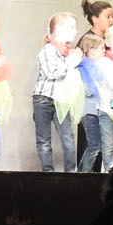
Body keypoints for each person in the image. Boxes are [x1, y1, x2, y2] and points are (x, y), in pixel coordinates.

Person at [33, 12, 80, 172]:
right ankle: (48, 172)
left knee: (68, 138)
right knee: (44, 139)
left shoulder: (68, 52)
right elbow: (51, 72)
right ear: (59, 29)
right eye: (71, 27)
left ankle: (71, 172)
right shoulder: (48, 50)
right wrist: (70, 64)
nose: (75, 31)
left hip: (61, 100)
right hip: (44, 99)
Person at [75, 31, 113, 173]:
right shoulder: (84, 68)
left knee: (99, 145)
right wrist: (99, 85)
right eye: (101, 49)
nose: (103, 51)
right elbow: (86, 91)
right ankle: (82, 173)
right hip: (89, 112)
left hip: (96, 111)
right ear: (92, 51)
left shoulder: (98, 66)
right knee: (94, 145)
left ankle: (83, 172)